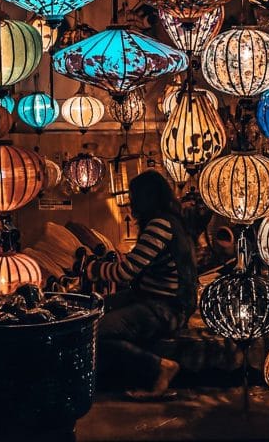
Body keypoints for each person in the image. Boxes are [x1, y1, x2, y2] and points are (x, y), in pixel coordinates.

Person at [86, 170, 197, 399]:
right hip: (154, 299)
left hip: (166, 308)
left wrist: (93, 269)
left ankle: (159, 367)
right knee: (91, 309)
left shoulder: (160, 225)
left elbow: (126, 272)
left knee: (94, 331)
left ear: (146, 197)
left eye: (134, 196)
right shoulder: (171, 221)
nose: (131, 202)